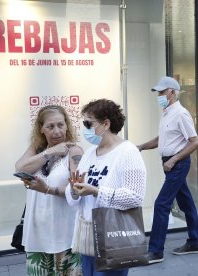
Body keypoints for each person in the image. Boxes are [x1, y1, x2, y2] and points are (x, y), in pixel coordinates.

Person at [66, 99, 147, 276]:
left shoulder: (128, 152)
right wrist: (73, 190)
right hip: (87, 233)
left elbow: (134, 196)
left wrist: (96, 191)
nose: (85, 128)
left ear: (106, 124)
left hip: (113, 234)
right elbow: (74, 193)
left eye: (89, 123)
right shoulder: (89, 153)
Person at [137, 76, 198, 264]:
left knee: (161, 204)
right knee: (187, 203)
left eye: (161, 92)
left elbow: (195, 142)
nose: (159, 95)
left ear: (172, 92)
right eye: (158, 92)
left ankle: (155, 251)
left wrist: (173, 160)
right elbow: (162, 139)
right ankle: (195, 242)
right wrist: (141, 146)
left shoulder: (181, 114)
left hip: (177, 164)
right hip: (171, 164)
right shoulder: (167, 113)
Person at [15, 105, 84, 275]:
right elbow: (19, 168)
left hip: (65, 233)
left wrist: (47, 189)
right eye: (50, 126)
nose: (57, 131)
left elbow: (77, 190)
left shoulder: (74, 151)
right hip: (37, 233)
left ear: (67, 125)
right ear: (41, 129)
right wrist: (50, 151)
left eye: (61, 125)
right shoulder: (37, 149)